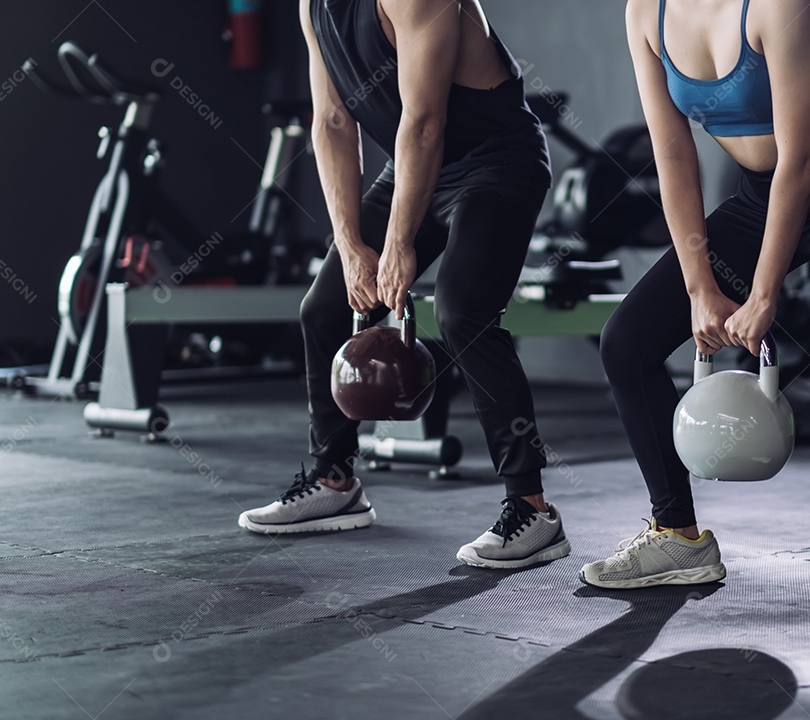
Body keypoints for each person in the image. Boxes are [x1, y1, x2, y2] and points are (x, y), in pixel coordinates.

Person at [580, 0, 810, 627]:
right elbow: (673, 155)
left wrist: (763, 293)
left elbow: (801, 162)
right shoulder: (645, 13)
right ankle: (677, 536)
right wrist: (699, 287)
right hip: (757, 197)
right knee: (626, 342)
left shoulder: (781, 5)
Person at [238, 0, 572, 570]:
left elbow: (425, 121)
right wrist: (349, 245)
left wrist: (398, 244)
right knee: (324, 309)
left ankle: (532, 508)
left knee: (463, 311)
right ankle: (335, 479)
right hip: (411, 165)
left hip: (495, 163)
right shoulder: (313, 6)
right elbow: (332, 122)